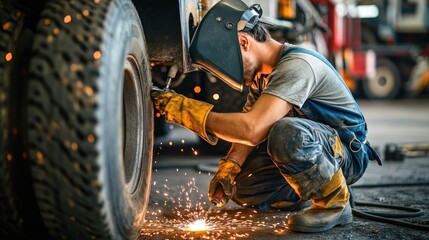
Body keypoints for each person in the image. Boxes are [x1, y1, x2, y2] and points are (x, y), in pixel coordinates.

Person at [151, 0, 381, 233]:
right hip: (317, 147)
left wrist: (188, 112)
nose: (233, 77)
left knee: (287, 135)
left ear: (243, 42)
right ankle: (303, 193)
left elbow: (252, 130)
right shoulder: (263, 78)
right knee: (243, 185)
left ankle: (335, 203)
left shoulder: (298, 65)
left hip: (345, 154)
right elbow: (248, 125)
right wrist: (230, 167)